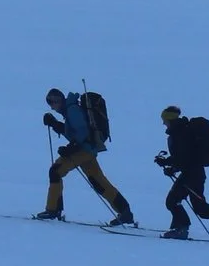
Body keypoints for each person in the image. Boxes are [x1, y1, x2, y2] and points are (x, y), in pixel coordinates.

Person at [36, 87, 136, 226]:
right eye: (50, 103)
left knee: (56, 171)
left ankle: (53, 210)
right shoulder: (70, 109)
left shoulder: (72, 110)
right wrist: (54, 123)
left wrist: (70, 149)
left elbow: (83, 133)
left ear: (59, 100)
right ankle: (125, 212)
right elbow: (73, 132)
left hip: (84, 150)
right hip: (87, 150)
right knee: (98, 181)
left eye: (53, 102)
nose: (52, 107)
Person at [154, 105, 209, 241]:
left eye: (164, 120)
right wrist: (169, 164)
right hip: (192, 173)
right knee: (190, 205)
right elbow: (185, 157)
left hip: (193, 175)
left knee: (179, 202)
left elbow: (185, 158)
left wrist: (169, 164)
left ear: (170, 119)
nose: (163, 123)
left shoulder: (180, 133)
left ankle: (181, 229)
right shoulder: (181, 131)